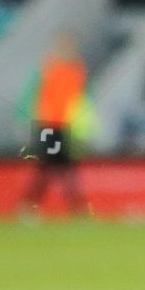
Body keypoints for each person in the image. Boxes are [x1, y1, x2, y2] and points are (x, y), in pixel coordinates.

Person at [20, 33, 89, 215]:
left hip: (62, 126)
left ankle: (74, 207)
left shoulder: (73, 70)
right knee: (49, 168)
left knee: (62, 167)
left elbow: (74, 94)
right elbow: (42, 95)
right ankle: (30, 205)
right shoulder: (51, 68)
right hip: (48, 126)